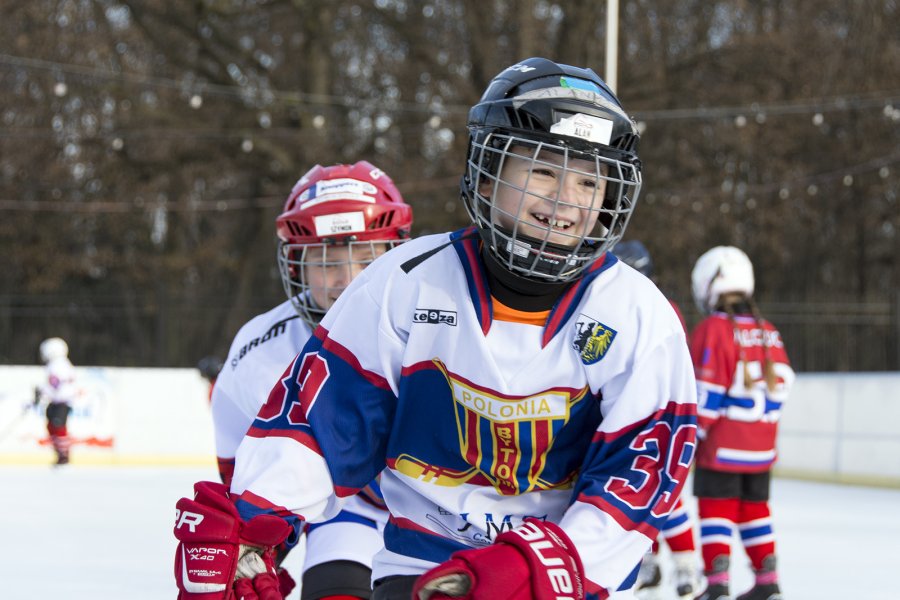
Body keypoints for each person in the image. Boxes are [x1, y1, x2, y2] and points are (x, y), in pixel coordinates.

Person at [174, 57, 698, 600]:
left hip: (565, 581)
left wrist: (540, 570)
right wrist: (255, 529)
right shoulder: (404, 284)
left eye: (590, 181)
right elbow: (321, 426)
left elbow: (637, 482)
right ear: (487, 174)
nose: (565, 199)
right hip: (424, 567)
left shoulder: (641, 317)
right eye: (543, 169)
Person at [207, 161, 413, 600]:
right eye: (326, 261)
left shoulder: (442, 315)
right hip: (346, 512)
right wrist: (252, 548)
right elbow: (237, 460)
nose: (349, 279)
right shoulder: (261, 350)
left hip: (446, 512)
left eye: (367, 256)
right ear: (297, 266)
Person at [688, 246, 794, 600]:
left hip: (722, 446)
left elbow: (708, 393)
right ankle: (769, 582)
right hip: (761, 447)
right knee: (755, 511)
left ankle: (716, 586)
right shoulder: (769, 330)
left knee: (715, 509)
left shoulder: (713, 329)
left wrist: (690, 436)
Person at [615, 240, 699, 600]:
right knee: (633, 493)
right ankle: (652, 561)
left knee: (665, 497)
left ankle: (686, 568)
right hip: (629, 413)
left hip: (657, 415)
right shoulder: (619, 303)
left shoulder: (658, 307)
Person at [37, 337, 76, 466]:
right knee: (52, 426)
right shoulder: (64, 364)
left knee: (58, 427)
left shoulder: (56, 365)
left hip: (61, 402)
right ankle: (61, 452)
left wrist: (43, 391)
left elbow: (54, 384)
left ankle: (63, 454)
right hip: (58, 401)